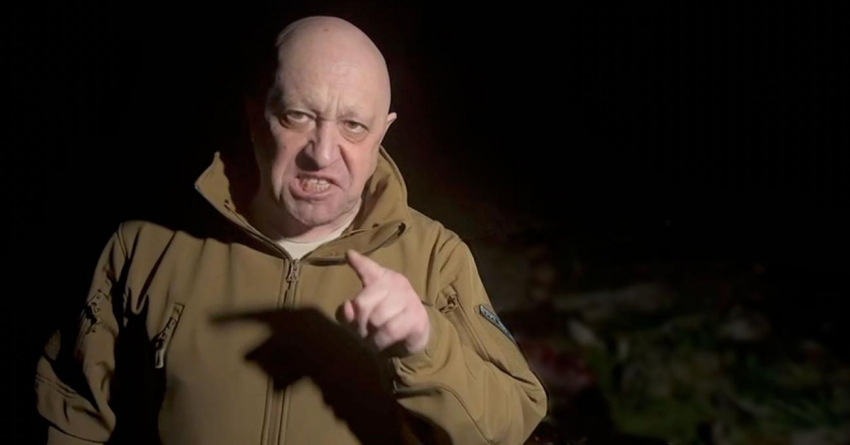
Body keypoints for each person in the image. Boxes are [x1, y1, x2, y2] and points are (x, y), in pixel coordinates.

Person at [34, 16, 548, 445]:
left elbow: (510, 427)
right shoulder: (145, 247)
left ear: (382, 133)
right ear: (256, 117)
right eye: (298, 116)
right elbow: (70, 419)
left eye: (353, 126)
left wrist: (425, 344)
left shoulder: (436, 257)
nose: (322, 154)